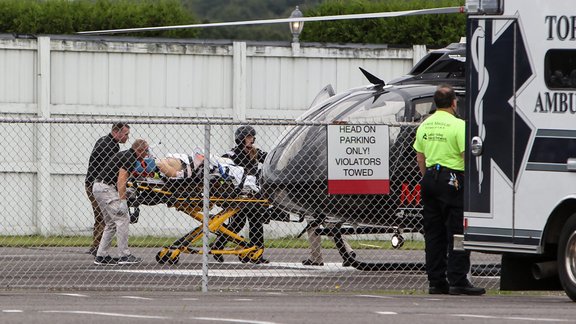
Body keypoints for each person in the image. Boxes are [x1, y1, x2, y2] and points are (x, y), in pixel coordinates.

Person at [413, 84, 485, 295]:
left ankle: (436, 281)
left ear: (435, 103)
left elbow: (420, 157)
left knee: (433, 234)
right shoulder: (458, 125)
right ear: (454, 103)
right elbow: (466, 156)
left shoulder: (425, 125)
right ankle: (458, 279)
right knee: (457, 232)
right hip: (452, 179)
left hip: (430, 180)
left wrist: (427, 177)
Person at [210, 125, 270, 264]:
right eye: (249, 137)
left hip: (253, 194)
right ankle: (218, 244)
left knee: (256, 222)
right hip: (238, 195)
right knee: (238, 223)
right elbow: (223, 165)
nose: (252, 139)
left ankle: (257, 253)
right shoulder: (233, 154)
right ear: (241, 139)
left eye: (252, 137)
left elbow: (269, 160)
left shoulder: (255, 152)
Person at [92, 139, 149, 265]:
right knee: (123, 219)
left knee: (111, 223)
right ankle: (124, 255)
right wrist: (123, 200)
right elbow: (121, 180)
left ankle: (101, 256)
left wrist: (123, 192)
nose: (147, 154)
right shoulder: (130, 157)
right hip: (106, 188)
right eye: (146, 151)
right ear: (139, 150)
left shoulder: (126, 155)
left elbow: (117, 178)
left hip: (100, 187)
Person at [85, 123, 130, 256]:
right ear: (116, 132)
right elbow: (111, 169)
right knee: (103, 216)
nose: (127, 137)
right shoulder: (109, 146)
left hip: (95, 183)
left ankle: (98, 247)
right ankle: (98, 247)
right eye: (126, 134)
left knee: (103, 216)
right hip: (95, 184)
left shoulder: (108, 142)